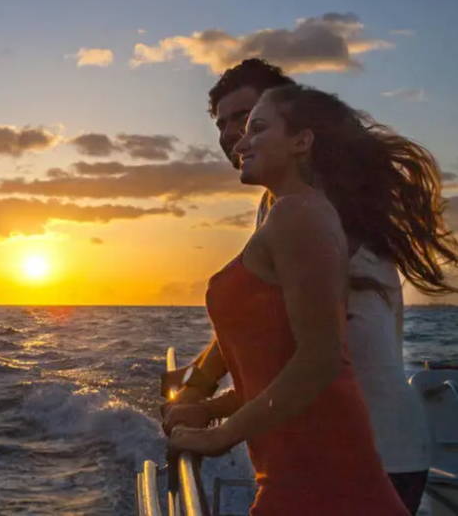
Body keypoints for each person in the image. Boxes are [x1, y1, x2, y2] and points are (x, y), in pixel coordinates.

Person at [165, 84, 458, 514]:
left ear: (303, 139)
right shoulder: (288, 208)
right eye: (227, 124)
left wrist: (219, 431)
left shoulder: (306, 213)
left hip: (356, 448)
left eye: (252, 123)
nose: (236, 137)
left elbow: (323, 358)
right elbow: (280, 351)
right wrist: (210, 406)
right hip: (308, 449)